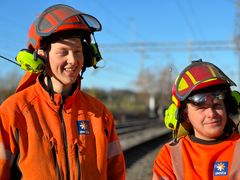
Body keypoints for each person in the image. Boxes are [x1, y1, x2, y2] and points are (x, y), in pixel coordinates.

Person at [0, 4, 126, 179]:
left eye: (77, 51)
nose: (73, 60)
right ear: (41, 56)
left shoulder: (100, 114)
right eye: (63, 52)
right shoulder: (13, 113)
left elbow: (116, 173)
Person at [152, 60, 240, 179]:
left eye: (217, 105)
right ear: (186, 115)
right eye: (202, 107)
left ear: (228, 106)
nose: (211, 113)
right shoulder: (170, 156)